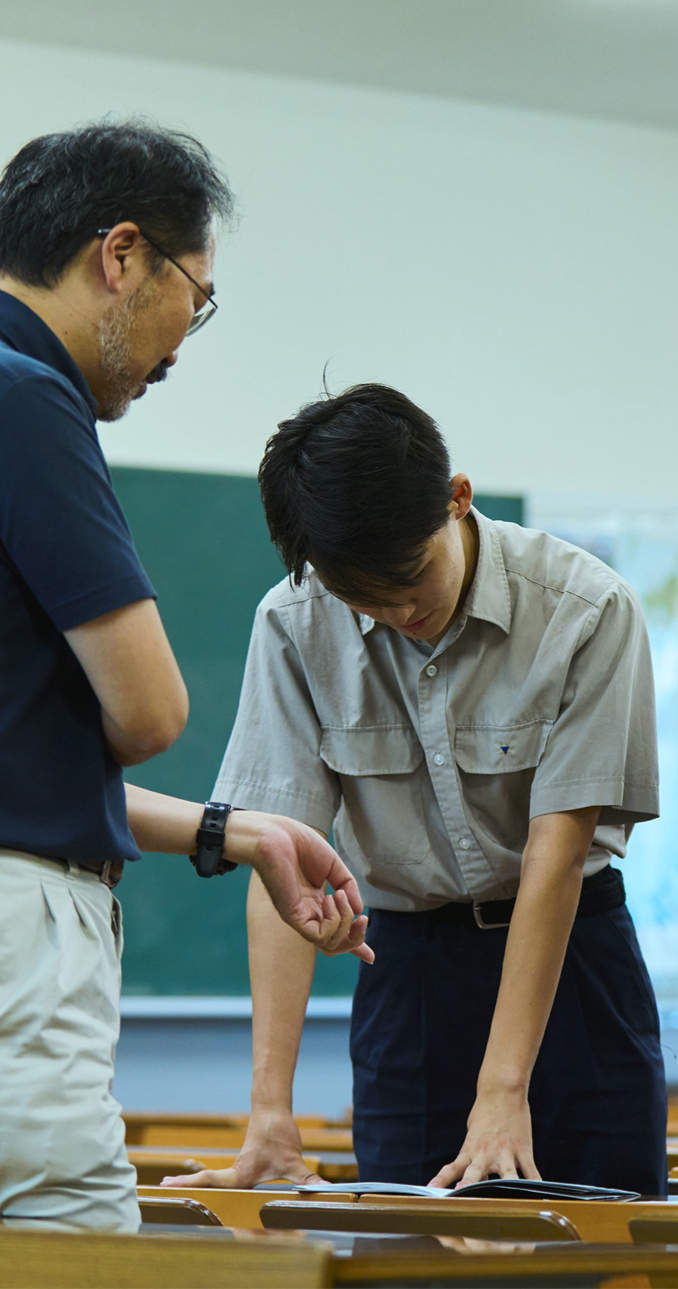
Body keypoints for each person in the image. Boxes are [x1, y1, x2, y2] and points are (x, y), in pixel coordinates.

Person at [0, 121, 370, 1230]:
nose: (179, 343)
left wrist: (233, 829)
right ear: (122, 255)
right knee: (69, 1242)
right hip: (21, 932)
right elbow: (151, 708)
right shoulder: (24, 395)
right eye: (193, 299)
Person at [165, 383, 666, 1195]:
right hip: (412, 973)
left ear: (457, 500)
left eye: (410, 578)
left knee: (604, 1248)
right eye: (364, 596)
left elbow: (556, 852)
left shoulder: (586, 609)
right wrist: (269, 1114)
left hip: (572, 960)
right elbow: (279, 857)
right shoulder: (293, 623)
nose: (400, 612)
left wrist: (504, 1089)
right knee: (408, 1253)